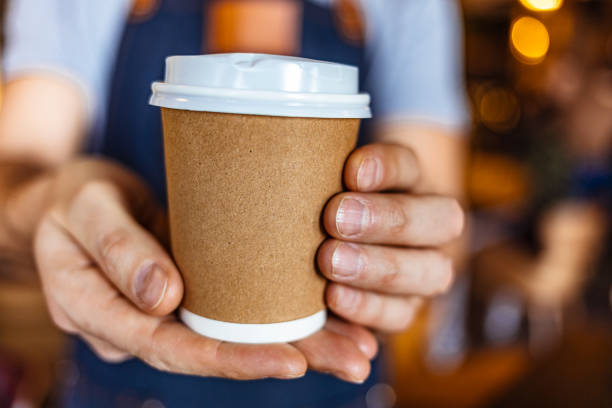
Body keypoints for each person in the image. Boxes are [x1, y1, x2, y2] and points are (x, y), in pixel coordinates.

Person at [0, 0, 468, 406]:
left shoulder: (409, 6)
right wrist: (51, 205)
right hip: (118, 381)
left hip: (335, 378)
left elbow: (439, 212)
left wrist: (407, 256)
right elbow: (13, 177)